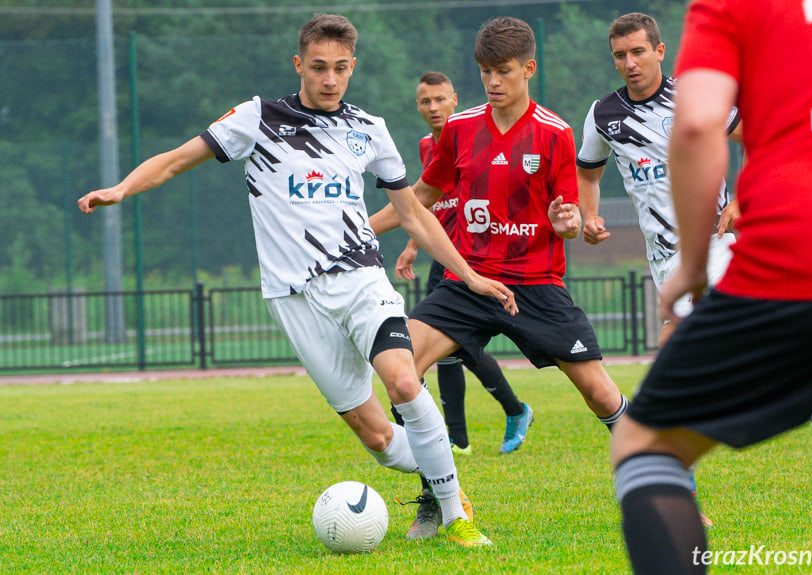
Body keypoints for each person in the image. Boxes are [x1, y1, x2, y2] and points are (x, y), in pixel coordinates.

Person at [77, 14, 512, 547]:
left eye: (341, 69)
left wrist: (468, 275)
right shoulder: (258, 118)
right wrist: (122, 189)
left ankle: (455, 517)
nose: (330, 79)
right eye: (319, 68)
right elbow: (174, 161)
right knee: (376, 437)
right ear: (299, 64)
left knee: (403, 381)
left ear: (353, 67)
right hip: (296, 299)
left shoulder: (369, 129)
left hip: (361, 281)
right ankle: (437, 476)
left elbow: (414, 213)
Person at [610, 1, 812, 573]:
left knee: (645, 446)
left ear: (658, 51)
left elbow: (698, 126)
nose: (628, 62)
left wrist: (694, 264)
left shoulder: (733, 7)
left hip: (798, 260)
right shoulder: (604, 117)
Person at [371, 15, 628, 510]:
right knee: (402, 371)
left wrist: (565, 219)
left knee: (600, 395)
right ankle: (437, 497)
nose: (492, 82)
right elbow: (421, 195)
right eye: (485, 71)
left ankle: (668, 488)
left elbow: (570, 223)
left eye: (504, 71)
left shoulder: (554, 134)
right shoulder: (462, 128)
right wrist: (361, 228)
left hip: (536, 284)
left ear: (529, 68)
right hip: (468, 280)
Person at [394, 71, 533, 458]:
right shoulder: (427, 146)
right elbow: (427, 201)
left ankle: (511, 411)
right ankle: (461, 438)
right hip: (445, 258)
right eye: (426, 102)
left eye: (440, 100)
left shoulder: (476, 138)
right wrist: (411, 246)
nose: (434, 108)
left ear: (455, 100)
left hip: (477, 258)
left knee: (458, 348)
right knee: (448, 352)